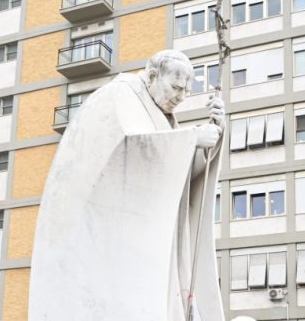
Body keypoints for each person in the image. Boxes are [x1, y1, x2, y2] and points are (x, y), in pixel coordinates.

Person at [29, 50, 226, 320]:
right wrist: (191, 138)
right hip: (104, 244)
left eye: (186, 91)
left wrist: (211, 140)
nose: (180, 97)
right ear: (153, 76)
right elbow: (127, 151)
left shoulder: (161, 115)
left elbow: (177, 179)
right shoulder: (119, 95)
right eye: (176, 87)